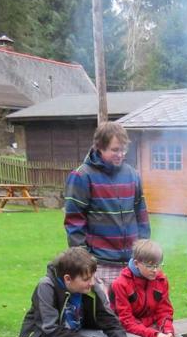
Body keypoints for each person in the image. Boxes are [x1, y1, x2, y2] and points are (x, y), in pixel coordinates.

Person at [64, 121, 150, 291]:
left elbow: (141, 214)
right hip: (101, 265)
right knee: (105, 316)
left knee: (132, 315)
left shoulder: (132, 174)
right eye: (115, 150)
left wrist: (144, 250)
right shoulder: (82, 176)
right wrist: (84, 261)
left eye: (123, 149)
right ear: (100, 147)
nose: (120, 154)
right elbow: (74, 223)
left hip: (132, 263)